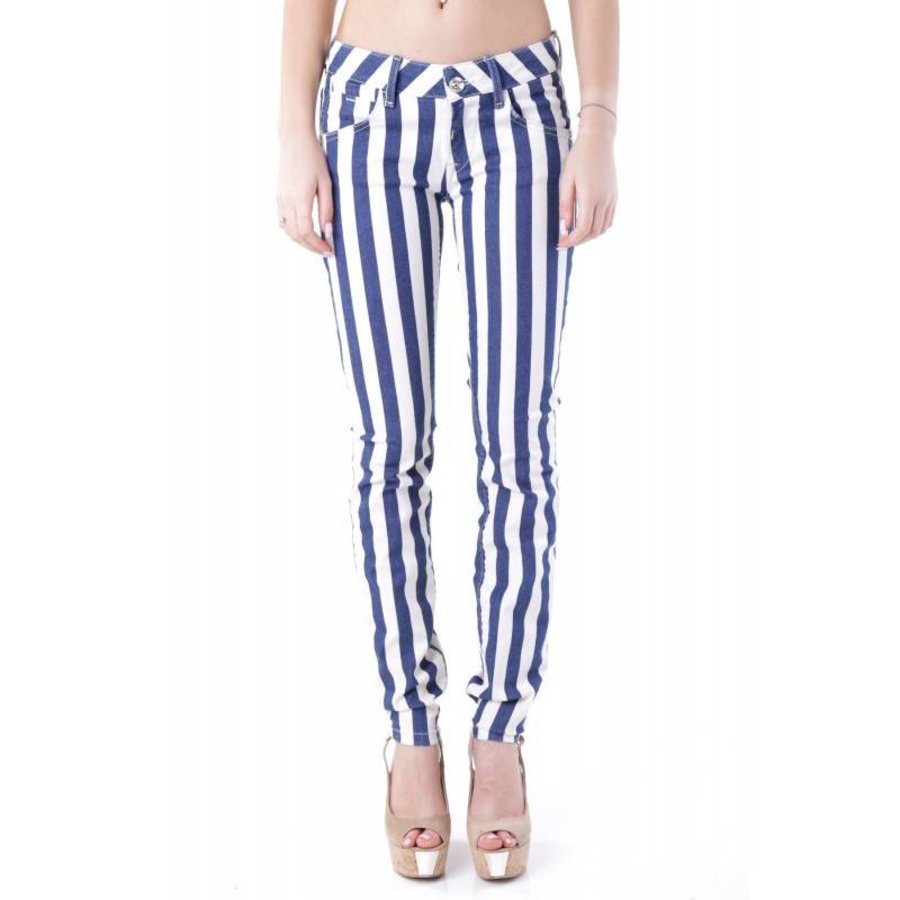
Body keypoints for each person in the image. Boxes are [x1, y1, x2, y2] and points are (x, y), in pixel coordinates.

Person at [276, 0, 618, 880]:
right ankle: (411, 732)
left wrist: (599, 123)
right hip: (367, 110)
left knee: (516, 446)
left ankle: (500, 735)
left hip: (518, 110)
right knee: (388, 447)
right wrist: (292, 130)